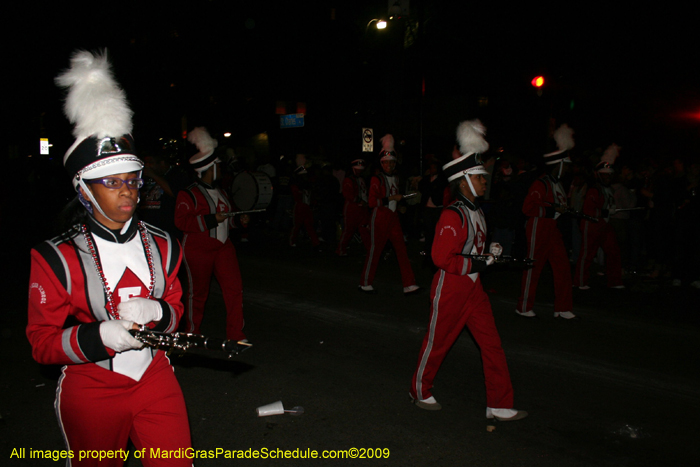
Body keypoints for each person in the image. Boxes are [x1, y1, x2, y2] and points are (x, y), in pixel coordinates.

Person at [27, 50, 191, 466]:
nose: (128, 191)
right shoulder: (56, 256)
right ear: (84, 190)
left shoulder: (165, 244)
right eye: (112, 182)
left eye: (132, 180)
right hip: (92, 387)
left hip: (155, 377)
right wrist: (99, 337)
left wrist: (159, 309)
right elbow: (42, 344)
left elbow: (176, 312)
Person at [410, 120, 527, 422]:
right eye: (479, 176)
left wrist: (491, 254)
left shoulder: (476, 211)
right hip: (451, 288)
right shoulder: (453, 214)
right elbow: (442, 258)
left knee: (492, 344)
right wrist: (480, 262)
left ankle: (499, 403)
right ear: (463, 181)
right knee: (437, 344)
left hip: (473, 289)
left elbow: (473, 250)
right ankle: (419, 390)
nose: (485, 179)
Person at [175, 127, 248, 342]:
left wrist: (237, 220)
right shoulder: (188, 193)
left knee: (235, 291)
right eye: (217, 166)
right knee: (197, 295)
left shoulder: (222, 192)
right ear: (208, 168)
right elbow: (181, 222)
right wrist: (211, 219)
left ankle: (236, 334)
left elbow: (226, 220)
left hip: (223, 247)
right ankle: (191, 334)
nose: (220, 169)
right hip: (198, 248)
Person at [515, 124, 577, 320]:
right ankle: (523, 306)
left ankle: (563, 307)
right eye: (565, 165)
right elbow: (528, 208)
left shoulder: (557, 184)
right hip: (538, 227)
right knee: (533, 267)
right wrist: (553, 209)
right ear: (558, 165)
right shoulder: (541, 183)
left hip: (553, 229)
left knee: (563, 267)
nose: (567, 169)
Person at [358, 134, 419, 294]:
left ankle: (409, 284)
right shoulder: (376, 179)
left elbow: (394, 198)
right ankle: (365, 282)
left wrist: (399, 206)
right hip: (380, 217)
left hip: (393, 217)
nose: (389, 165)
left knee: (401, 249)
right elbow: (372, 203)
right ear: (381, 163)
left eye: (391, 162)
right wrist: (392, 198)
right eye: (386, 162)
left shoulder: (397, 178)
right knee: (375, 250)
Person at [574, 144, 625, 290]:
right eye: (605, 174)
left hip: (604, 224)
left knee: (614, 251)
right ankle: (580, 281)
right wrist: (604, 212)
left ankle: (615, 281)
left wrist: (610, 210)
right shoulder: (594, 189)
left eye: (609, 175)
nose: (608, 177)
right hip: (592, 225)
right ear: (598, 175)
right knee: (587, 255)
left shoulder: (608, 189)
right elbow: (588, 210)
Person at [336, 158, 371, 256]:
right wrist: (360, 201)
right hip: (352, 209)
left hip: (362, 209)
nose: (359, 171)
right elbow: (348, 194)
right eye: (357, 169)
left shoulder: (361, 179)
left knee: (365, 229)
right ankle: (341, 249)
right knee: (348, 230)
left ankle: (371, 250)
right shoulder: (348, 180)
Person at [288, 154, 321, 248]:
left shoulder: (307, 184)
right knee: (297, 226)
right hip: (300, 207)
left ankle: (316, 242)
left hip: (306, 207)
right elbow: (297, 195)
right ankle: (292, 241)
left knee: (309, 225)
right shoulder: (296, 185)